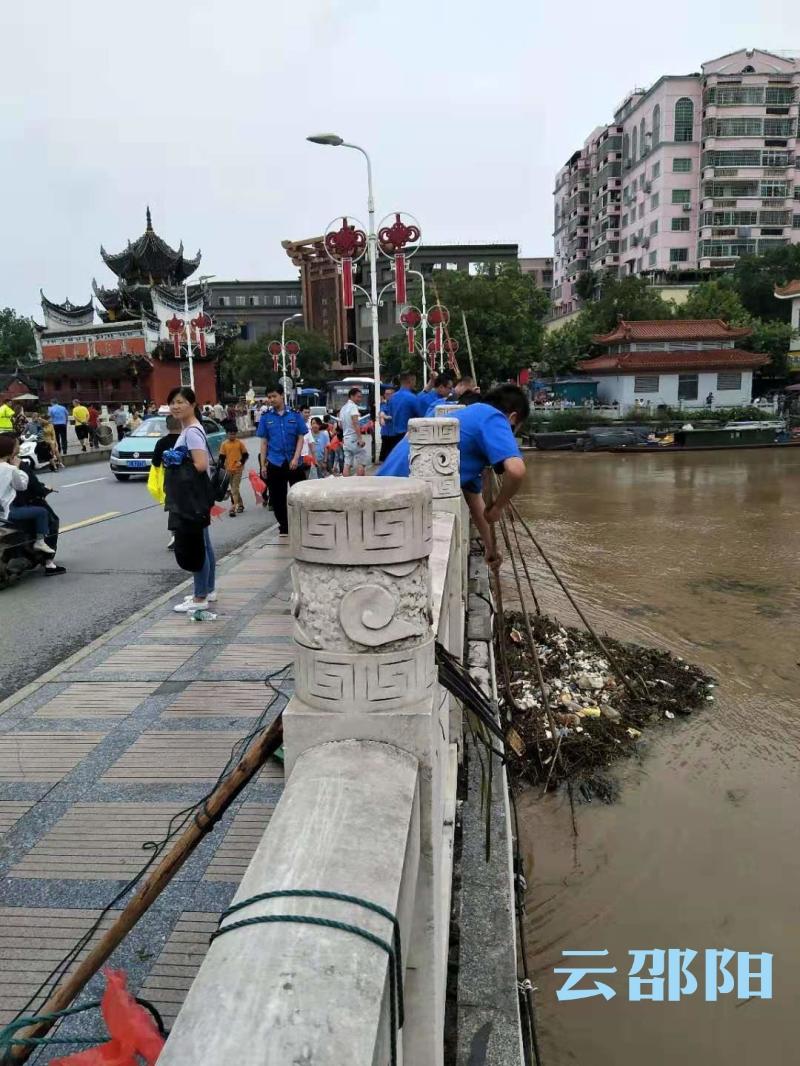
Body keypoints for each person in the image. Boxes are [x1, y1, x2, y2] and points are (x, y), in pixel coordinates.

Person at [377, 384, 529, 567]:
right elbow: (516, 470)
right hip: (396, 504)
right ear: (512, 418)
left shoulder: (468, 428)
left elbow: (475, 501)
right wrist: (498, 507)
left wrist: (491, 548)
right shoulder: (493, 417)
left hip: (382, 495)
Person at [165, 386, 218, 612]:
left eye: (180, 402)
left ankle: (200, 598)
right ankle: (208, 589)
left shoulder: (193, 432)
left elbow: (200, 465)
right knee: (204, 544)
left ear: (192, 404)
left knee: (197, 546)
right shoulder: (190, 429)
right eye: (172, 402)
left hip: (193, 498)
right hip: (197, 497)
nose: (175, 406)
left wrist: (176, 462)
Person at [256, 385, 308, 537]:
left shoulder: (295, 415)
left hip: (294, 462)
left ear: (281, 396)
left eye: (274, 396)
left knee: (299, 496)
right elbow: (264, 442)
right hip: (275, 462)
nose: (271, 400)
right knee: (278, 498)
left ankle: (300, 523)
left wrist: (296, 457)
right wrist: (263, 465)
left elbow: (300, 437)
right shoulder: (266, 417)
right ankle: (284, 526)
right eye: (269, 397)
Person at [0, 433, 57, 558]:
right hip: (9, 511)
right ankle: (40, 542)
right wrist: (16, 468)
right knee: (42, 512)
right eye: (17, 445)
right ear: (10, 449)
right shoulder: (11, 468)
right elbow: (22, 485)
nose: (19, 447)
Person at [150, 414, 181, 549]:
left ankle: (175, 535)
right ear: (181, 423)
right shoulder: (185, 439)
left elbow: (155, 462)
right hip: (189, 479)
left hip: (170, 480)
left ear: (167, 426)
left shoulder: (162, 442)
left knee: (173, 508)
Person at [382, 372, 419, 460]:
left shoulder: (392, 398)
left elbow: (388, 415)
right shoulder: (413, 398)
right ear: (410, 381)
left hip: (393, 436)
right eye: (414, 381)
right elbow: (420, 416)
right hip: (408, 436)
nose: (415, 384)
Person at [219, 422, 248, 516]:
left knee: (234, 489)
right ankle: (241, 505)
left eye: (234, 434)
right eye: (231, 433)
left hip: (238, 470)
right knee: (234, 489)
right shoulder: (224, 444)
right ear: (227, 434)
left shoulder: (239, 443)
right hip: (228, 470)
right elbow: (222, 457)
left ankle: (233, 508)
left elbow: (245, 455)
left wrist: (241, 462)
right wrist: (220, 468)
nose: (232, 435)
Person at [339, 386, 368, 477]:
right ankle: (359, 483)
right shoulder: (353, 407)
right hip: (354, 438)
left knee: (347, 463)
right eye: (358, 396)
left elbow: (340, 425)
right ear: (351, 396)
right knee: (361, 461)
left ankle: (346, 485)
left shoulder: (343, 408)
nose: (360, 399)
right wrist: (360, 439)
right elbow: (356, 423)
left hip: (346, 439)